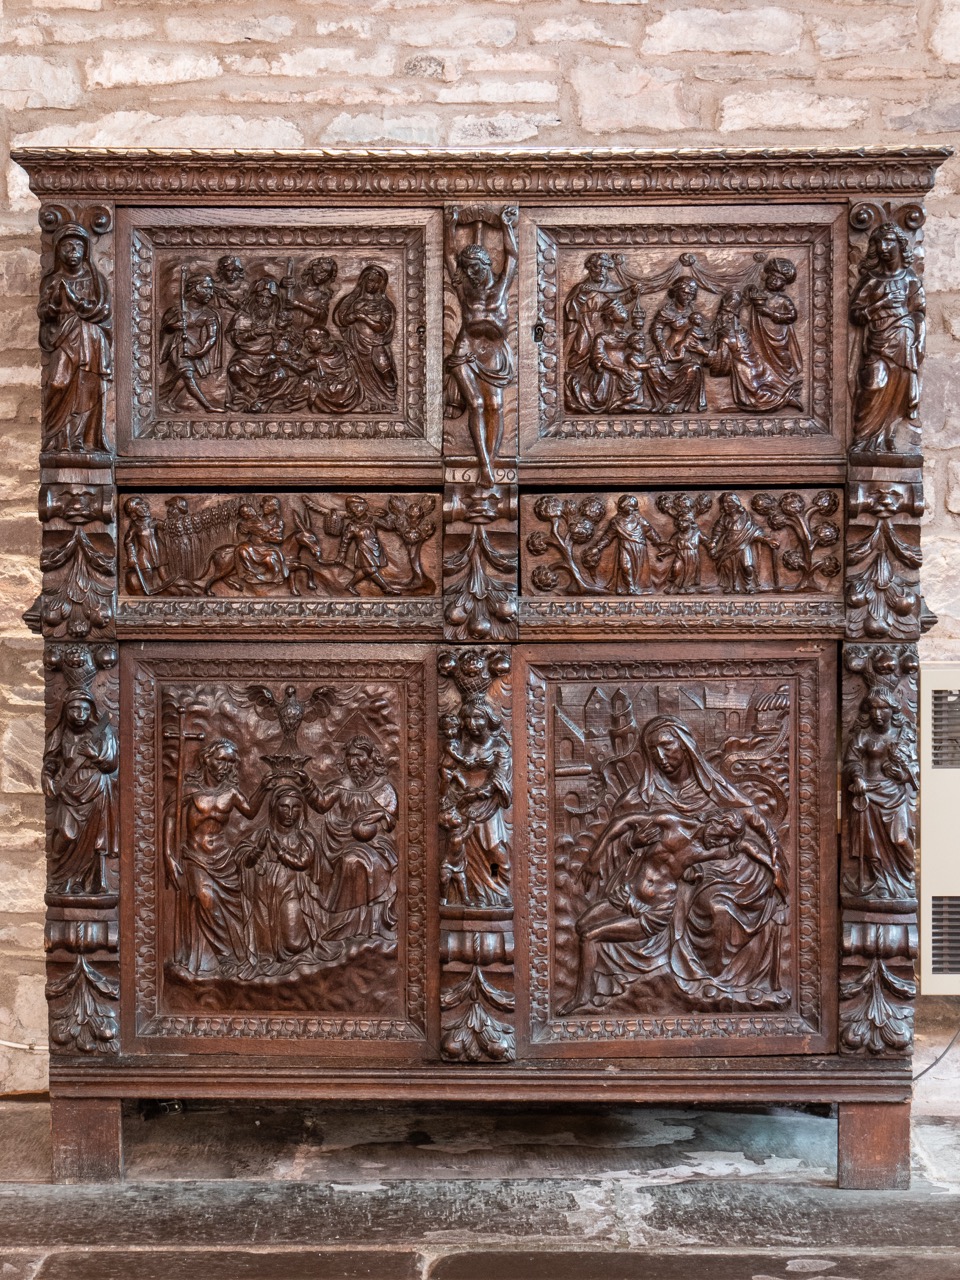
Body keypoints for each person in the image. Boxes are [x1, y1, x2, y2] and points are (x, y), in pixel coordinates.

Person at [562, 715, 782, 1013]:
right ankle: (595, 990)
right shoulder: (644, 800)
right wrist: (632, 845)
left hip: (680, 895)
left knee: (717, 909)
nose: (662, 757)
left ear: (686, 746)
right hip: (633, 890)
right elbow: (621, 832)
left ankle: (708, 982)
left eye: (667, 747)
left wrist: (775, 865)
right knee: (584, 927)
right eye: (654, 752)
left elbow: (753, 829)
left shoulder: (716, 795)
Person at [164, 738, 266, 979]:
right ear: (207, 760)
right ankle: (224, 957)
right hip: (195, 857)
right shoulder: (188, 790)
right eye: (221, 760)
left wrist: (264, 787)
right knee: (206, 898)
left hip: (223, 858)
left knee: (237, 906)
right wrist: (168, 853)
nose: (226, 766)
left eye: (231, 762)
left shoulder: (231, 793)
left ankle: (241, 956)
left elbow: (250, 812)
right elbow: (170, 816)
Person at [444, 206, 518, 485]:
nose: (471, 273)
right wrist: (450, 225)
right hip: (466, 350)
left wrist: (507, 225)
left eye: (475, 267)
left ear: (487, 264)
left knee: (495, 406)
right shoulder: (464, 290)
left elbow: (512, 257)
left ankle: (491, 459)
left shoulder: (501, 288)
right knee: (476, 403)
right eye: (467, 269)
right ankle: (486, 467)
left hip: (495, 354)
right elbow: (450, 257)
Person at [301, 737, 399, 942]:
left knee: (358, 861)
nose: (353, 762)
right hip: (343, 843)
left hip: (377, 845)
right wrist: (306, 783)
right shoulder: (341, 785)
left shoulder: (383, 787)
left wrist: (379, 817)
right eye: (349, 757)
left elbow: (391, 821)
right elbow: (321, 804)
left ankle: (369, 925)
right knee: (351, 860)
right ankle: (348, 922)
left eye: (358, 756)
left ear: (371, 759)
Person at [236, 783, 340, 974]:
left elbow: (305, 863)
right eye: (284, 806)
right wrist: (259, 848)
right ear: (274, 807)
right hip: (263, 896)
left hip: (293, 892)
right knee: (266, 944)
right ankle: (268, 957)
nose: (290, 812)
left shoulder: (305, 839)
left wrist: (277, 848)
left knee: (292, 943)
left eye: (296, 807)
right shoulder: (261, 835)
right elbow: (245, 862)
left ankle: (300, 961)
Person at [850, 222, 925, 454]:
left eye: (889, 241)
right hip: (878, 341)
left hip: (903, 339)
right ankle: (864, 437)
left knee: (898, 390)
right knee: (874, 383)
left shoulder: (910, 279)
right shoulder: (871, 280)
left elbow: (918, 312)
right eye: (879, 242)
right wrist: (880, 304)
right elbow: (856, 314)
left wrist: (919, 339)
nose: (884, 247)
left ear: (900, 245)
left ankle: (889, 437)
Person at [38, 224, 113, 454]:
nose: (72, 251)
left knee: (87, 387)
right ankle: (59, 437)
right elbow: (43, 312)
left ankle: (79, 439)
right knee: (57, 383)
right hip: (63, 335)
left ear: (85, 251)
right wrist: (53, 306)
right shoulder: (54, 280)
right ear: (58, 250)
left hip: (90, 338)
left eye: (77, 246)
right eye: (67, 246)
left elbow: (103, 310)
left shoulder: (94, 279)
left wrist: (74, 300)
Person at [438, 697, 512, 907]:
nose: (473, 724)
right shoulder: (457, 745)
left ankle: (498, 888)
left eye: (478, 717)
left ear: (488, 718)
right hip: (462, 805)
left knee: (496, 852)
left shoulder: (499, 746)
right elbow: (447, 772)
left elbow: (500, 777)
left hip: (488, 807)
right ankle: (478, 895)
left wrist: (478, 793)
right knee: (467, 854)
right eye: (468, 718)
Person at [844, 687, 917, 900]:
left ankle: (905, 878)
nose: (877, 713)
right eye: (874, 708)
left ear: (892, 709)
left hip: (894, 796)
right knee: (870, 842)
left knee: (901, 840)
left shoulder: (902, 735)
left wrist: (901, 775)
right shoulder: (863, 736)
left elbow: (914, 769)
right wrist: (857, 777)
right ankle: (880, 883)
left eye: (883, 708)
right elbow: (852, 761)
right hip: (868, 794)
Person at [42, 691, 118, 896]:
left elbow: (111, 764)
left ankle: (81, 883)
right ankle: (62, 879)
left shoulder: (102, 732)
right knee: (67, 833)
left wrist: (93, 755)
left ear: (91, 711)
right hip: (68, 791)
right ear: (66, 711)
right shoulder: (61, 733)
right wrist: (47, 777)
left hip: (95, 789)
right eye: (74, 709)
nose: (80, 714)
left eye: (85, 709)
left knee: (93, 840)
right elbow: (51, 761)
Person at [332, 265, 398, 409]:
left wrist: (364, 317)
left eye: (376, 282)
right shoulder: (354, 301)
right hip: (356, 343)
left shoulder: (384, 305)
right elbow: (343, 320)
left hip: (375, 344)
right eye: (369, 280)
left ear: (381, 284)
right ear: (363, 281)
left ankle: (390, 397)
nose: (372, 284)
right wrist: (355, 315)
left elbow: (383, 327)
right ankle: (370, 400)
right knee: (360, 372)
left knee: (383, 368)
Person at [741, 258, 803, 410]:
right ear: (767, 276)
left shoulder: (783, 300)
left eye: (779, 280)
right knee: (759, 360)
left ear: (784, 285)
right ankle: (767, 390)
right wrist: (748, 291)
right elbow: (744, 301)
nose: (774, 281)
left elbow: (792, 316)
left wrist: (771, 313)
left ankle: (786, 387)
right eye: (773, 277)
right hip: (759, 335)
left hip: (778, 337)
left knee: (783, 360)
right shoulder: (758, 295)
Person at [159, 272, 222, 412]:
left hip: (194, 349)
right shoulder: (178, 310)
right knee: (187, 375)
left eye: (211, 289)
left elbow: (212, 336)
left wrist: (202, 351)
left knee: (177, 378)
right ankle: (208, 406)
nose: (210, 293)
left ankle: (164, 399)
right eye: (206, 288)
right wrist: (174, 326)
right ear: (193, 290)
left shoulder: (209, 314)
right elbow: (165, 328)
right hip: (178, 347)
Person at [645, 277, 710, 414]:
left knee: (692, 370)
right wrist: (662, 347)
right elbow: (656, 328)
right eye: (685, 293)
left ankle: (672, 403)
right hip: (669, 349)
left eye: (691, 294)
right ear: (676, 292)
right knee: (652, 366)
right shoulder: (667, 312)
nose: (688, 297)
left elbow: (706, 332)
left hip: (689, 353)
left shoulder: (694, 313)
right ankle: (662, 401)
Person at [582, 494, 659, 594]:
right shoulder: (616, 521)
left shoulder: (639, 520)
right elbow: (608, 537)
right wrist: (598, 547)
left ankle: (638, 588)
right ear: (622, 507)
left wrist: (660, 544)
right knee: (625, 566)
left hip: (639, 548)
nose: (630, 509)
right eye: (627, 506)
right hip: (625, 547)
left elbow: (650, 532)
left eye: (632, 507)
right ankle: (630, 587)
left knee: (638, 571)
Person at [706, 492, 778, 594]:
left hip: (743, 545)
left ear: (736, 504)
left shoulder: (746, 518)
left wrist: (768, 540)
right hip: (728, 546)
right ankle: (731, 586)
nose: (726, 506)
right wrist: (713, 542)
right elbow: (717, 531)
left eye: (729, 503)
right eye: (724, 503)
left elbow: (754, 532)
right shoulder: (724, 518)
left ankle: (748, 585)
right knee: (728, 567)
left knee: (747, 566)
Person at [123, 496, 165, 595]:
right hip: (144, 553)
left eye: (145, 506)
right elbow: (128, 541)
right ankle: (149, 594)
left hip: (158, 551)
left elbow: (167, 528)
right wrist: (131, 556)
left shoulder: (153, 522)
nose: (145, 508)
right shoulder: (135, 526)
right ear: (134, 514)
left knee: (164, 576)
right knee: (147, 573)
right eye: (140, 507)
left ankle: (166, 590)